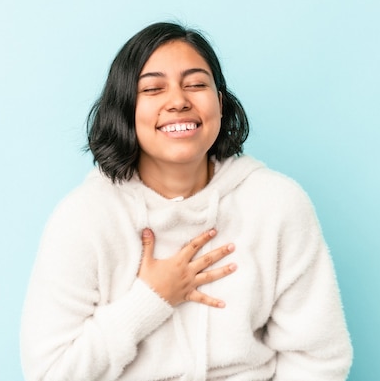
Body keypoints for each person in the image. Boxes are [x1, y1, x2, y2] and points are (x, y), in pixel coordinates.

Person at [20, 22, 353, 381]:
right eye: (153, 88)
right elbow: (49, 374)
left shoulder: (277, 204)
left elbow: (318, 358)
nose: (179, 101)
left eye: (196, 84)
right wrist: (150, 299)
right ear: (125, 109)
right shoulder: (84, 218)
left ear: (220, 104)